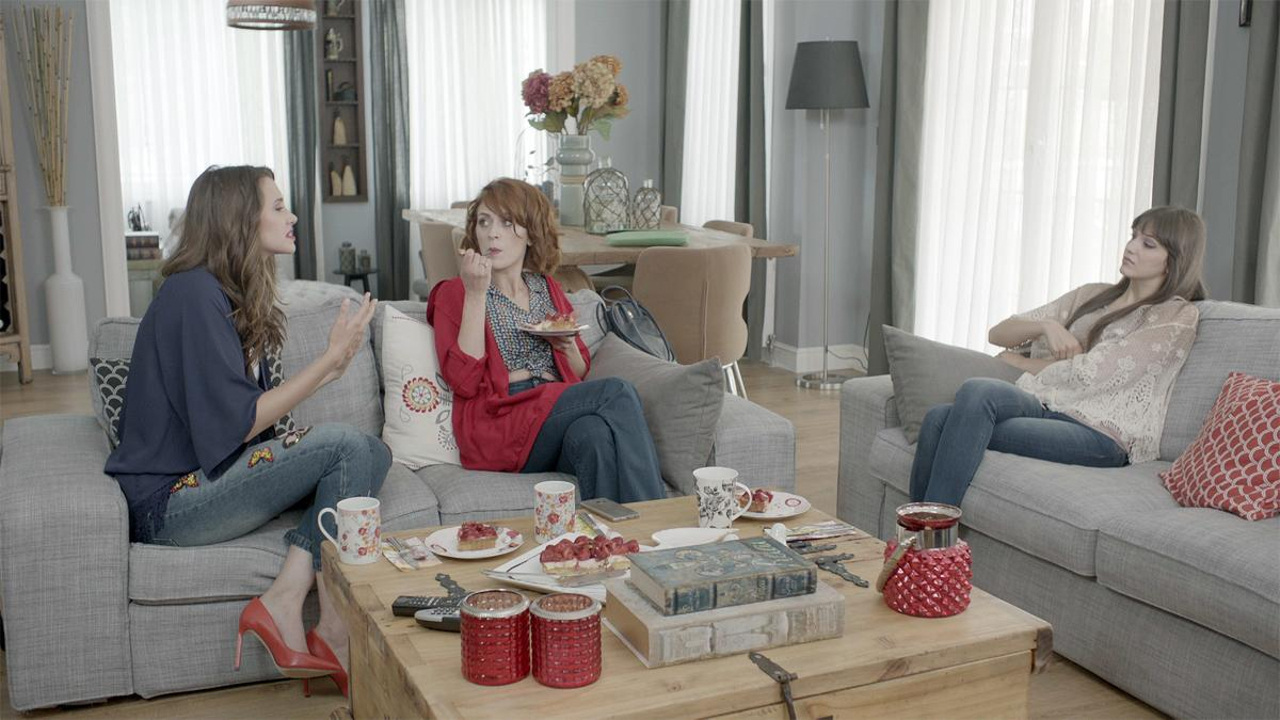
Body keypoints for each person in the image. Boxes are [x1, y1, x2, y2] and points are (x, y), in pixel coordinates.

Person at [105, 166, 385, 696]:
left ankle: (294, 601)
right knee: (346, 446)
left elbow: (246, 420)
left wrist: (333, 369)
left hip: (207, 481)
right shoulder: (192, 294)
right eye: (277, 207)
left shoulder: (225, 294)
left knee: (372, 451)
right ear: (238, 220)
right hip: (169, 502)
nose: (292, 215)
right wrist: (325, 363)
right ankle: (316, 618)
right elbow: (238, 423)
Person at [910, 206, 1207, 506]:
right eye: (1133, 236)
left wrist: (1021, 362)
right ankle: (920, 532)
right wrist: (1047, 326)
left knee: (954, 413)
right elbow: (999, 333)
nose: (1131, 247)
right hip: (1049, 405)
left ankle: (931, 532)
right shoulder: (1092, 295)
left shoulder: (1175, 316)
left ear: (1173, 261)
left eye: (1148, 244)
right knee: (950, 408)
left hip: (1099, 433)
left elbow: (1093, 374)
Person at [427, 178, 666, 502]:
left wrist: (566, 346)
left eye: (507, 222)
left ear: (530, 233)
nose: (492, 233)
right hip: (502, 422)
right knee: (617, 391)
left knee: (594, 435)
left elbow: (579, 372)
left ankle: (610, 532)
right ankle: (660, 516)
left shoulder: (546, 288)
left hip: (552, 416)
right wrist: (476, 294)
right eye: (484, 222)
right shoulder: (456, 292)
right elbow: (463, 382)